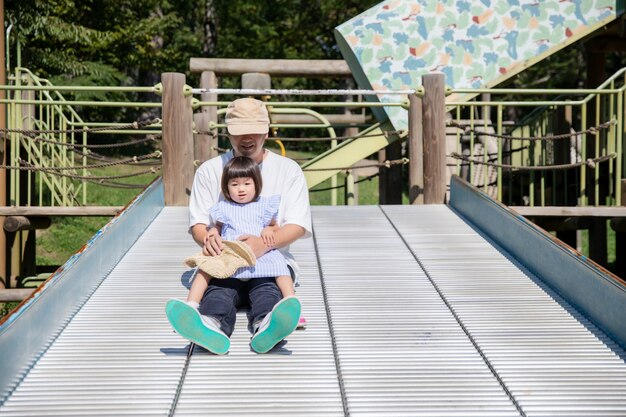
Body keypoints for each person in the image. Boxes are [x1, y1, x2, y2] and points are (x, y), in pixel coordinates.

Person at [165, 97, 311, 355]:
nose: (247, 138)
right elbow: (199, 223)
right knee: (219, 292)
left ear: (266, 131)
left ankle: (268, 325)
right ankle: (210, 326)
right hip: (225, 264)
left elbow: (297, 225)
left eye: (254, 130)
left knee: (267, 291)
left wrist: (262, 245)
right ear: (228, 134)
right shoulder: (210, 171)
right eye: (239, 132)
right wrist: (209, 239)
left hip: (268, 267)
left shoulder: (289, 170)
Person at [182, 155, 296, 306]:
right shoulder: (224, 207)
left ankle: (290, 300)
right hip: (230, 254)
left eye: (247, 183)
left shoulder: (264, 205)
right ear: (227, 188)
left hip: (259, 255)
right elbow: (219, 226)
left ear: (256, 184)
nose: (241, 189)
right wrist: (214, 232)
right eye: (234, 184)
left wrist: (270, 229)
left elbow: (274, 225)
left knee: (280, 266)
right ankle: (191, 304)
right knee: (205, 268)